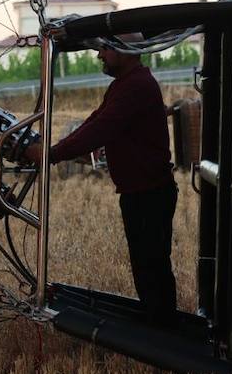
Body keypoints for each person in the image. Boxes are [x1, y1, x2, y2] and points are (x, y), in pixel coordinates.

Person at [24, 37, 178, 328]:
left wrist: (52, 154)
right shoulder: (125, 84)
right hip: (141, 192)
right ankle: (160, 329)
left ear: (125, 50)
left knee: (152, 270)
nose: (98, 56)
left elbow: (101, 129)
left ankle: (164, 335)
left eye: (104, 49)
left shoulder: (136, 86)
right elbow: (95, 123)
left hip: (149, 194)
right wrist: (56, 149)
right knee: (148, 269)